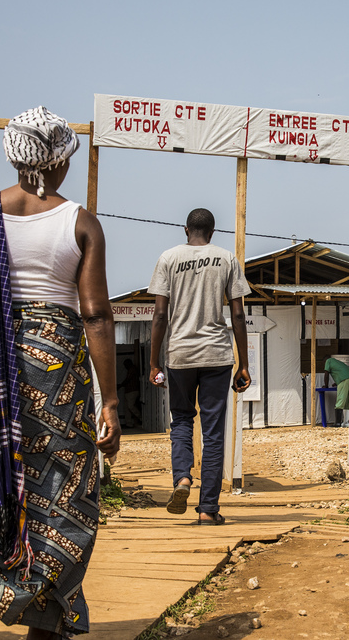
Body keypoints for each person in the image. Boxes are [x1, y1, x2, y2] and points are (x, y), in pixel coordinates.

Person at [0, 107, 120, 640]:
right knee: (61, 490)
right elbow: (96, 314)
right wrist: (110, 402)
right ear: (59, 162)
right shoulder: (80, 222)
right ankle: (46, 615)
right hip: (56, 376)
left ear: (14, 156)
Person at [148, 208, 250, 525]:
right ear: (213, 232)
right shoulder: (226, 259)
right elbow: (237, 315)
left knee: (181, 419)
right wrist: (244, 364)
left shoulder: (168, 258)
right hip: (217, 356)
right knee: (213, 432)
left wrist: (153, 362)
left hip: (179, 355)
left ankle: (182, 479)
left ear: (185, 230)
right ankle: (208, 509)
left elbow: (160, 315)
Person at [323, 355, 349, 426]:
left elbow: (326, 374)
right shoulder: (337, 362)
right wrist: (337, 382)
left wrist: (326, 385)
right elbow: (341, 372)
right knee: (347, 402)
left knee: (340, 401)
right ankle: (347, 422)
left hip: (344, 381)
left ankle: (338, 423)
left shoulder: (328, 361)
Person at [118, 358, 142, 428]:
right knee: (126, 408)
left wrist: (120, 385)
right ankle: (129, 423)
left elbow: (128, 379)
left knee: (130, 406)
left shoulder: (132, 369)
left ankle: (140, 417)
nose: (125, 367)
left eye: (126, 365)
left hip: (133, 390)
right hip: (128, 391)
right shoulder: (130, 369)